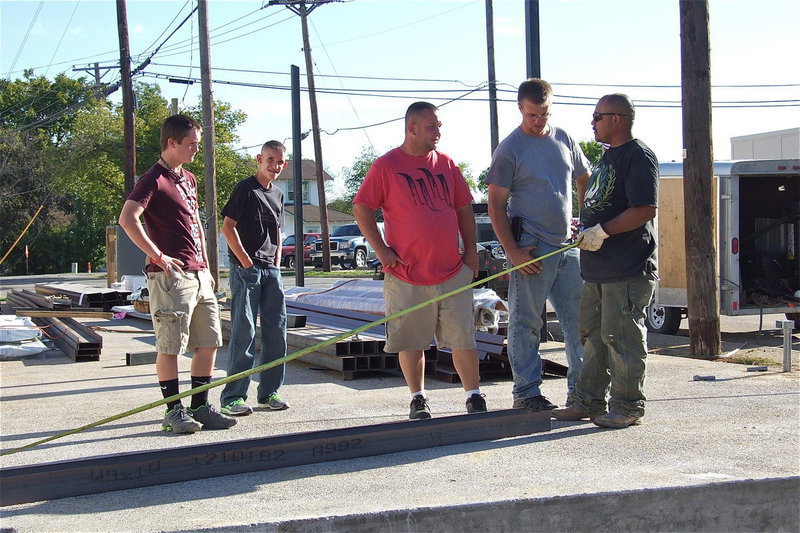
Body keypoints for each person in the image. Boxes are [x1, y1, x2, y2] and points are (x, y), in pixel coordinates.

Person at [353, 101, 486, 420]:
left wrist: (471, 252)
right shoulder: (386, 166)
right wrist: (382, 250)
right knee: (411, 340)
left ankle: (474, 395)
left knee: (463, 338)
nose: (438, 132)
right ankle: (418, 398)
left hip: (452, 271)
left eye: (439, 126)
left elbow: (464, 209)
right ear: (411, 128)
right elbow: (361, 208)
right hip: (406, 274)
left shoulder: (448, 164)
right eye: (432, 126)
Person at [119, 114, 236, 433]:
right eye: (191, 144)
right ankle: (173, 411)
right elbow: (128, 219)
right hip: (170, 277)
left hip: (199, 275)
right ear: (172, 143)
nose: (196, 149)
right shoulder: (153, 179)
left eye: (198, 143)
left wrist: (208, 267)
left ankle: (200, 405)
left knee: (209, 341)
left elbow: (196, 223)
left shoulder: (190, 179)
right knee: (170, 344)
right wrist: (157, 254)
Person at [551, 94, 658, 429]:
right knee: (592, 338)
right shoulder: (606, 158)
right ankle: (587, 401)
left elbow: (644, 209)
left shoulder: (638, 156)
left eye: (597, 117)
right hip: (596, 268)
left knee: (621, 337)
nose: (592, 123)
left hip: (627, 268)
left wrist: (603, 231)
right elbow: (601, 204)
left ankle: (627, 406)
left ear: (617, 118)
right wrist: (584, 229)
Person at [485, 78, 589, 411]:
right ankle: (527, 393)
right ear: (520, 109)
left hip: (567, 248)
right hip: (530, 247)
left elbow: (585, 177)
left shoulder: (564, 138)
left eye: (543, 114)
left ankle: (581, 392)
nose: (538, 121)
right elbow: (495, 205)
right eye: (532, 115)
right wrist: (513, 252)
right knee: (526, 323)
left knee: (581, 323)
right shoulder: (509, 150)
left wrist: (585, 221)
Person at [219, 141, 290, 416]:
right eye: (270, 159)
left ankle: (269, 392)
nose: (275, 166)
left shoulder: (280, 194)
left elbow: (278, 230)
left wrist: (277, 259)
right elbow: (228, 228)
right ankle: (233, 397)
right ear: (259, 159)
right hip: (246, 270)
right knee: (245, 332)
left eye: (280, 161)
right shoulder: (245, 189)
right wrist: (246, 261)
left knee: (276, 332)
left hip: (271, 270)